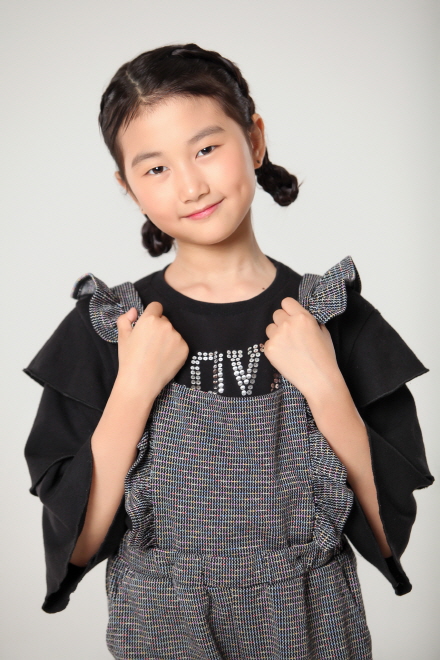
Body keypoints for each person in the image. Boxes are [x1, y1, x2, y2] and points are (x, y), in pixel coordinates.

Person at [23, 43, 434, 660]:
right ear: (127, 186)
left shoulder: (334, 317)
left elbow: (386, 535)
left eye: (206, 149)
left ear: (255, 139)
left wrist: (325, 384)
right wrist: (133, 388)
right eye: (155, 168)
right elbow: (77, 549)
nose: (191, 185)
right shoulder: (110, 328)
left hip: (314, 628)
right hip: (164, 631)